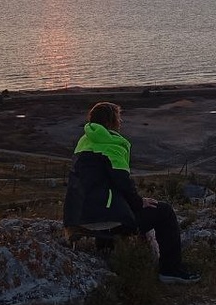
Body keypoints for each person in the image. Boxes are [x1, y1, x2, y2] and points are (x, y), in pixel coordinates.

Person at [63, 101, 200, 284]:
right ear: (111, 122)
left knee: (104, 202)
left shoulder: (84, 141)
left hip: (77, 217)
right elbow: (123, 183)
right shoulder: (113, 144)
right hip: (104, 220)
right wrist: (139, 202)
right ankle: (170, 270)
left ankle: (107, 253)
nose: (121, 122)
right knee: (164, 211)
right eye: (118, 118)